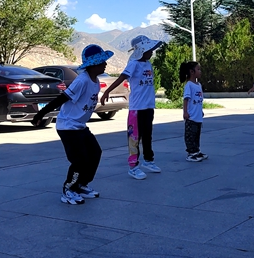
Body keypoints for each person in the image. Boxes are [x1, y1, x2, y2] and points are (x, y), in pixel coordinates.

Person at [32, 44, 113, 204]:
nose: (105, 64)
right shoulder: (82, 81)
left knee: (95, 152)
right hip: (68, 126)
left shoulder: (96, 81)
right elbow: (62, 99)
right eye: (102, 61)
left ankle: (81, 184)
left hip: (80, 126)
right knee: (79, 160)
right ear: (93, 64)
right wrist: (41, 114)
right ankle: (68, 190)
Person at [101, 35, 164, 180]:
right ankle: (133, 166)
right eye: (149, 49)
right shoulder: (133, 64)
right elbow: (121, 78)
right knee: (134, 137)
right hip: (137, 108)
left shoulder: (148, 64)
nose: (151, 52)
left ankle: (148, 160)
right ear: (141, 50)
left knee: (147, 135)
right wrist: (107, 91)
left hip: (148, 106)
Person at [180, 61, 207, 162]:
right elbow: (186, 99)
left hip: (198, 116)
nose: (200, 71)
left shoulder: (198, 85)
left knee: (196, 135)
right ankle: (191, 153)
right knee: (190, 135)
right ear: (192, 72)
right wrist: (185, 112)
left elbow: (200, 100)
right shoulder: (189, 85)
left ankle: (197, 151)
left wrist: (201, 111)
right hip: (191, 117)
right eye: (198, 69)